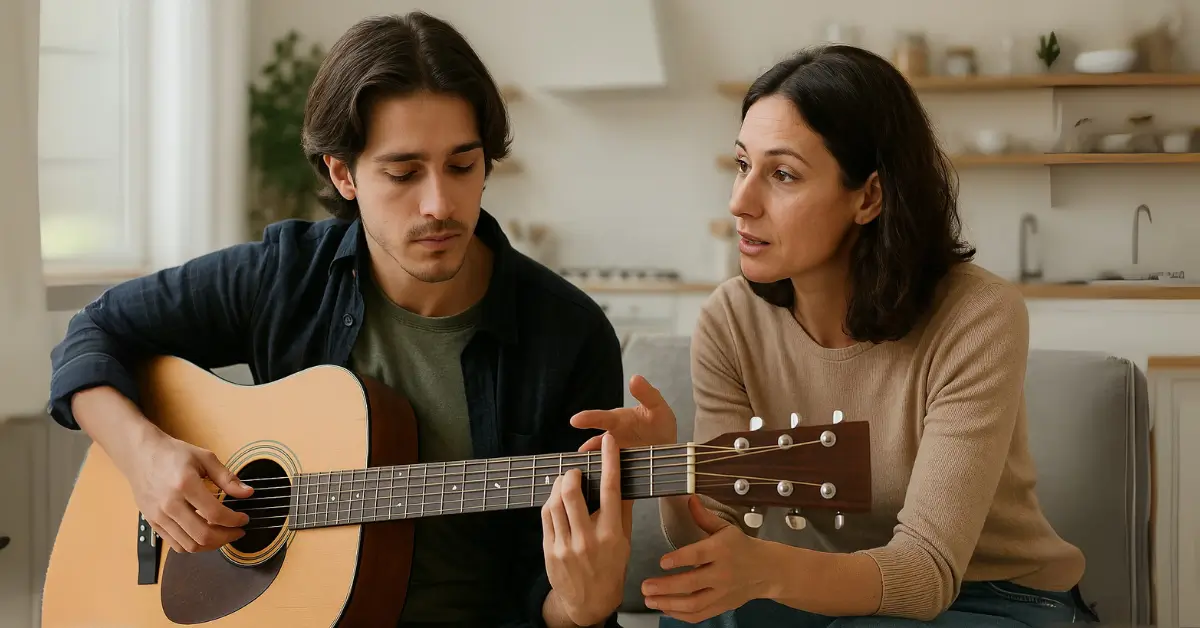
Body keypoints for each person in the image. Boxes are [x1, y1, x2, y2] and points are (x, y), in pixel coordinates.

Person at [46, 12, 632, 628]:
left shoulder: (570, 335)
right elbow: (92, 332)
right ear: (342, 172)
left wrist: (578, 606)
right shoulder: (286, 276)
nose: (439, 203)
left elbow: (556, 589)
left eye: (462, 166)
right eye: (403, 173)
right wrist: (147, 460)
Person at [571, 45, 1101, 627]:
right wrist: (673, 472)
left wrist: (768, 571)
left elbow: (925, 575)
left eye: (783, 174)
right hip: (822, 592)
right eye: (743, 164)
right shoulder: (730, 319)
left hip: (995, 597)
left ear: (869, 196)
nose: (739, 202)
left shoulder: (977, 315)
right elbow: (722, 534)